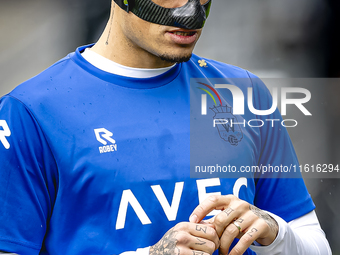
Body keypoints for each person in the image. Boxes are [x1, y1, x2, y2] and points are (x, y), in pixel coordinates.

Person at [0, 0, 332, 254]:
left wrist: (275, 231)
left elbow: (317, 244)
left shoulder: (239, 91)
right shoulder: (33, 111)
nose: (191, 12)